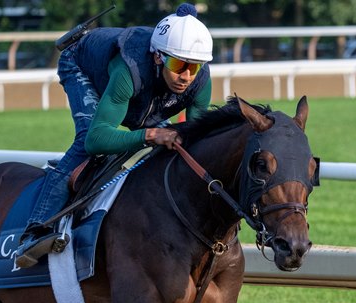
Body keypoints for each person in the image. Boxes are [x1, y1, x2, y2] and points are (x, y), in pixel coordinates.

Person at [15, 3, 213, 268]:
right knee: (88, 141)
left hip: (144, 87)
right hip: (83, 65)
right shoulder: (127, 72)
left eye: (195, 67)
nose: (186, 76)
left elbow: (196, 142)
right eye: (179, 65)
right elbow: (96, 139)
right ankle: (35, 230)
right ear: (158, 56)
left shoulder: (199, 82)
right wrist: (150, 134)